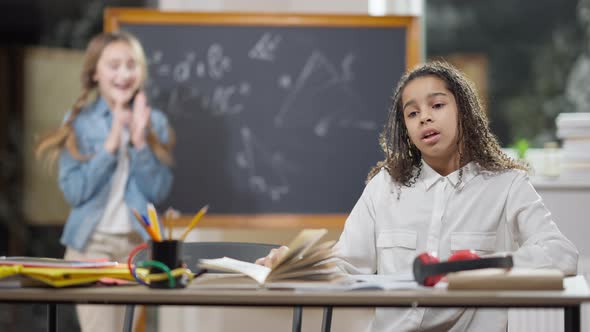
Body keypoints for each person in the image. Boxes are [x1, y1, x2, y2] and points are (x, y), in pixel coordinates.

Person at [257, 61, 578, 332]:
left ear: (463, 112)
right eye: (412, 113)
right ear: (406, 129)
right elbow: (347, 264)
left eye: (437, 105)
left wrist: (489, 267)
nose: (424, 117)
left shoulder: (506, 184)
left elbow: (562, 255)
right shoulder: (385, 186)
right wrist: (297, 263)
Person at [35, 31, 175, 332]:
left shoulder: (156, 121)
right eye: (114, 65)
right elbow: (75, 192)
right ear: (95, 73)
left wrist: (139, 142)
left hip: (138, 247)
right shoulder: (79, 123)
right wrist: (111, 144)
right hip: (89, 246)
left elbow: (159, 191)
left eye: (131, 64)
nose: (124, 74)